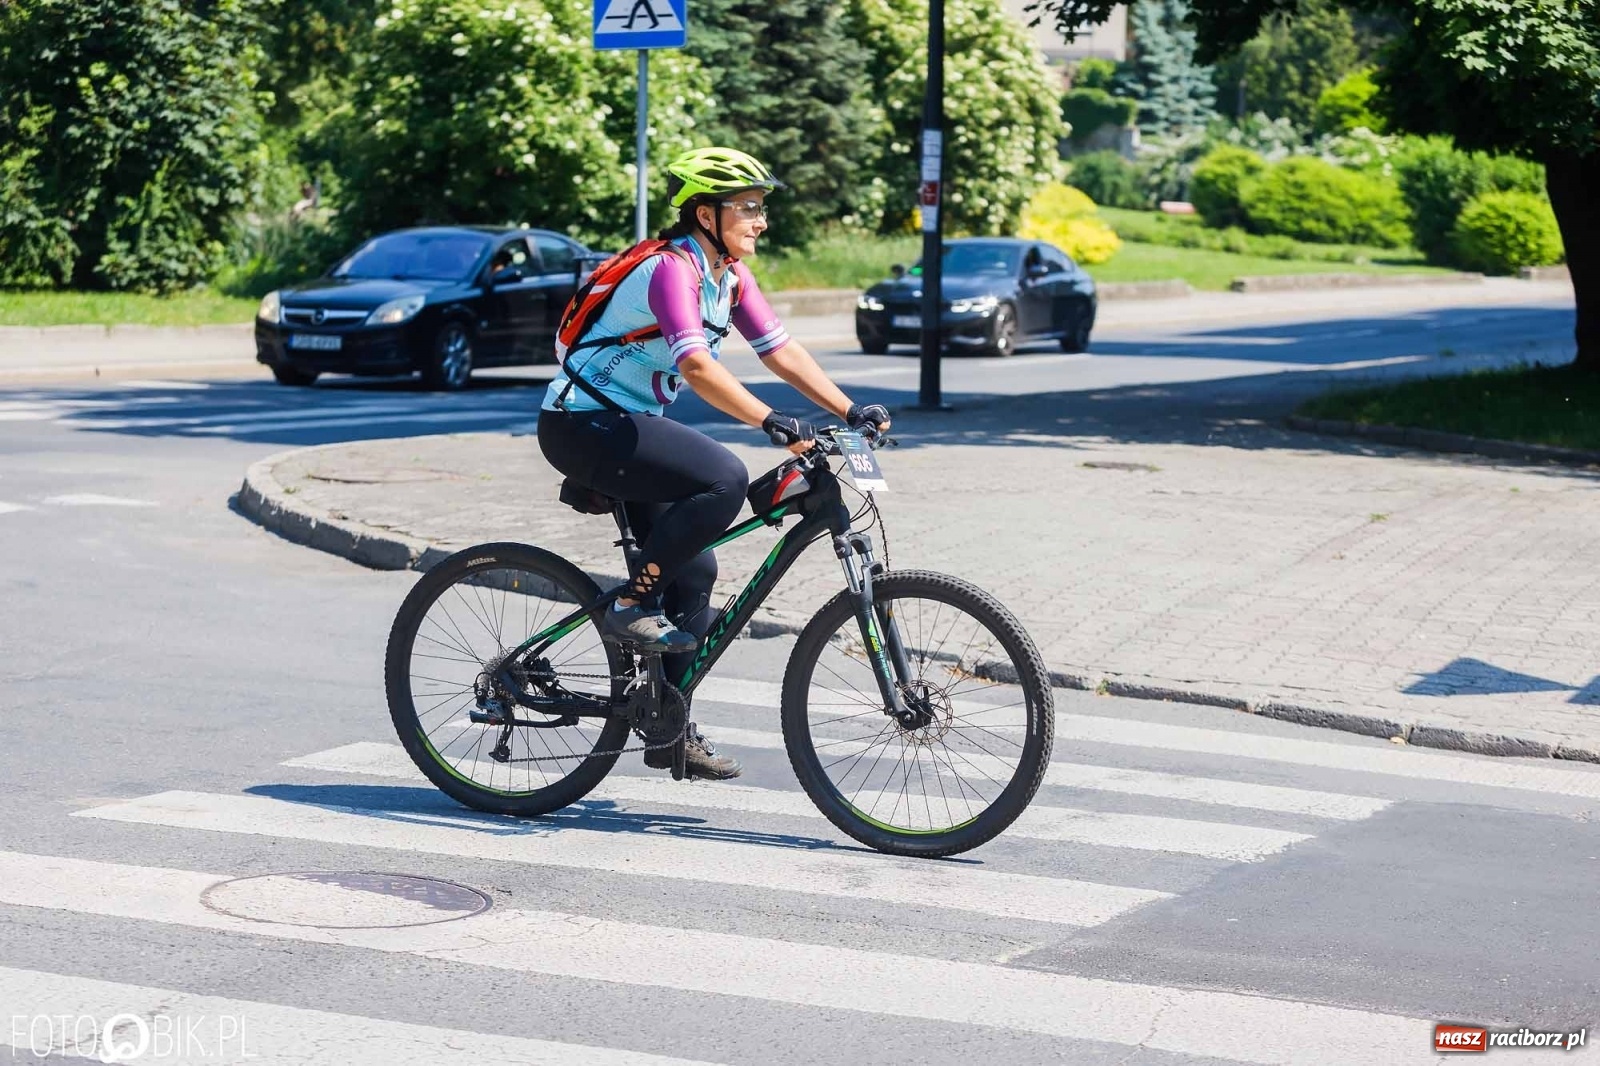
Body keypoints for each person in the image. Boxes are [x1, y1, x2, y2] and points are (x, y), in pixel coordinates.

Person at [537, 146, 891, 781]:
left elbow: (780, 351)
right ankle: (628, 607)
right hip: (583, 425)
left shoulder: (728, 277)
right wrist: (770, 420)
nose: (760, 221)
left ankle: (668, 726)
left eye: (761, 209)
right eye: (747, 209)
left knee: (695, 570)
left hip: (630, 425)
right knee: (724, 478)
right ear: (705, 213)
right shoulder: (672, 270)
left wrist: (848, 408)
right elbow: (697, 365)